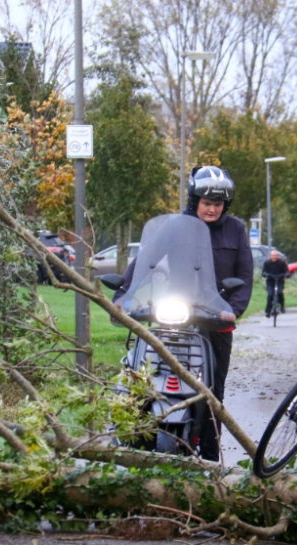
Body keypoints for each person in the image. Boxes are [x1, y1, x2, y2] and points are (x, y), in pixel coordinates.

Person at [115, 166, 254, 461]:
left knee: (212, 389)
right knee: (144, 373)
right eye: (207, 203)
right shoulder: (175, 226)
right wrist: (123, 297)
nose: (212, 209)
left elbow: (245, 273)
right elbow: (147, 257)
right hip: (176, 312)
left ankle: (211, 456)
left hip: (215, 320)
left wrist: (233, 310)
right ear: (194, 201)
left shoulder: (235, 229)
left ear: (225, 205)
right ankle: (134, 434)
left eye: (218, 204)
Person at [261, 249, 289, 317]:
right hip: (270, 281)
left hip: (279, 280)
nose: (274, 257)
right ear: (270, 256)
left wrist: (287, 274)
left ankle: (282, 307)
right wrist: (265, 274)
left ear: (278, 256)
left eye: (275, 255)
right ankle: (268, 311)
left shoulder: (281, 263)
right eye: (273, 255)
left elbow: (286, 271)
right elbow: (263, 272)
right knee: (270, 295)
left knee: (279, 292)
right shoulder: (267, 263)